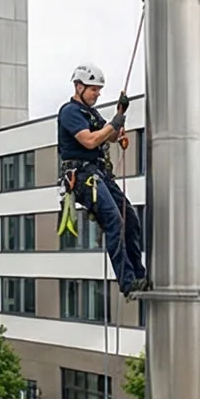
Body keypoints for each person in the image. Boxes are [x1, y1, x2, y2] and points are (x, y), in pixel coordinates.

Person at [58, 63, 149, 297]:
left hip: (98, 174)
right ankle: (127, 282)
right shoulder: (70, 112)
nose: (97, 94)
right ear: (78, 87)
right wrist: (114, 123)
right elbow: (89, 141)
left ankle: (139, 275)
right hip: (83, 176)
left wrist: (118, 122)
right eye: (93, 90)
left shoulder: (91, 113)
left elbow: (106, 137)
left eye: (99, 90)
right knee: (114, 221)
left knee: (130, 218)